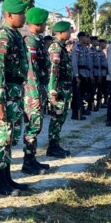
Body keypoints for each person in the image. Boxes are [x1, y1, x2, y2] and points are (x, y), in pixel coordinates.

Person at [0, 0, 30, 195]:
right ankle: (0, 182)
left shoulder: (15, 35)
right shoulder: (3, 37)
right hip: (6, 94)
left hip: (15, 92)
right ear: (9, 15)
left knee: (11, 137)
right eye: (21, 14)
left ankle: (7, 177)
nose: (24, 17)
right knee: (2, 138)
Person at [21, 7, 51, 175]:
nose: (46, 24)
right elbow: (31, 70)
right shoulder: (30, 41)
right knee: (32, 127)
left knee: (36, 127)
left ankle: (32, 159)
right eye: (44, 22)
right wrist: (35, 95)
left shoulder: (38, 40)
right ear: (37, 23)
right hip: (33, 92)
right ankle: (28, 162)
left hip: (39, 89)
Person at [47, 21, 73, 157]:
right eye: (68, 30)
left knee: (61, 117)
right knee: (56, 118)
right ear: (61, 32)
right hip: (59, 90)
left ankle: (55, 144)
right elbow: (53, 70)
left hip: (65, 89)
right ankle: (52, 146)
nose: (70, 33)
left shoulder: (62, 47)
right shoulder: (56, 48)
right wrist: (53, 90)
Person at [70, 31, 90, 120]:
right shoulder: (77, 48)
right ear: (81, 38)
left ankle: (80, 111)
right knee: (77, 95)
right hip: (79, 74)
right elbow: (74, 63)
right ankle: (76, 113)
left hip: (84, 74)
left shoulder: (84, 48)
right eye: (86, 37)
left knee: (82, 94)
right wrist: (76, 76)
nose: (87, 39)